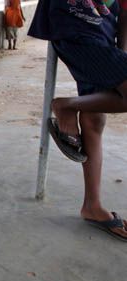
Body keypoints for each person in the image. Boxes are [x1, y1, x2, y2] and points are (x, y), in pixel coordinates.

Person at [28, 0, 127, 240]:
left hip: (104, 29)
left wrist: (120, 55)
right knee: (96, 113)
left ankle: (92, 206)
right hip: (72, 23)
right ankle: (65, 106)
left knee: (94, 118)